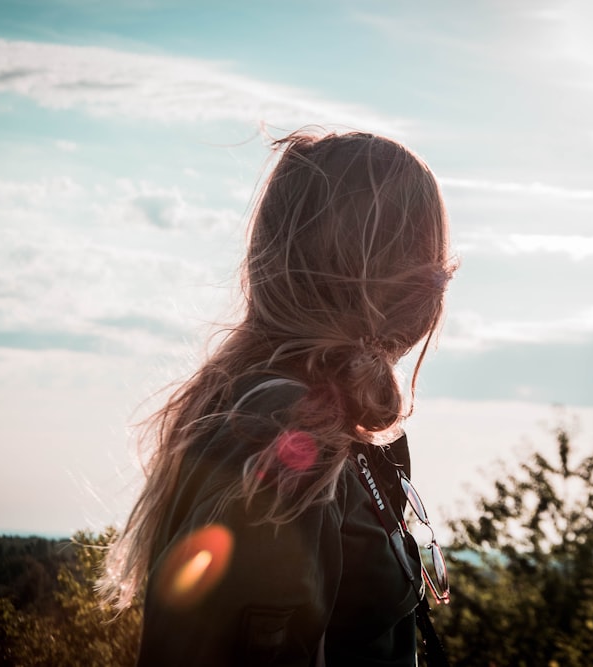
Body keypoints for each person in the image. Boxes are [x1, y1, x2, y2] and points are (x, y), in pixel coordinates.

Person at [98, 129, 456, 666]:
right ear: (377, 277)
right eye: (431, 268)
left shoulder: (291, 417)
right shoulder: (285, 439)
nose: (440, 285)